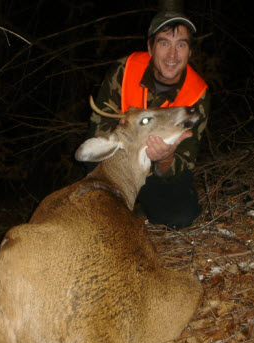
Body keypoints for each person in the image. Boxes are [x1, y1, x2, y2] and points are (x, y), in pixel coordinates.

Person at [86, 9, 210, 229]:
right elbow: (99, 130)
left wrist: (165, 159)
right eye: (164, 43)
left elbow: (187, 158)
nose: (172, 55)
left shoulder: (197, 94)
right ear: (150, 48)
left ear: (190, 51)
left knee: (181, 217)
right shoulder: (124, 72)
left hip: (157, 172)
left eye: (181, 44)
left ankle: (144, 206)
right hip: (122, 162)